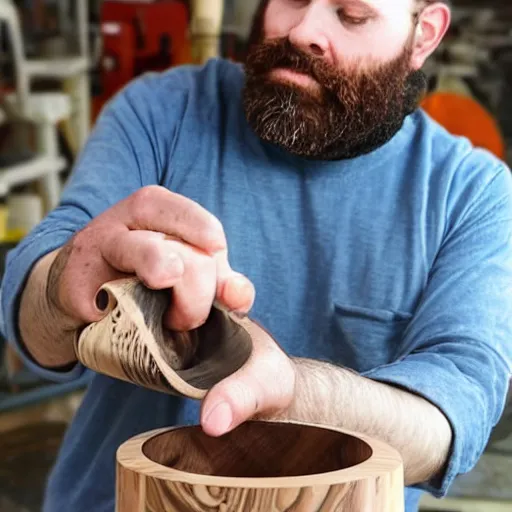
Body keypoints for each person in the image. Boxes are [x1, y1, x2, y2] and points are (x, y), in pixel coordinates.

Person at [1, 0, 511, 510]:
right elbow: (34, 333)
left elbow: (449, 423)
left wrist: (290, 389)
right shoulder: (163, 111)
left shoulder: (472, 195)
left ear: (424, 35)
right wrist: (64, 280)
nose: (303, 30)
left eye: (351, 14)